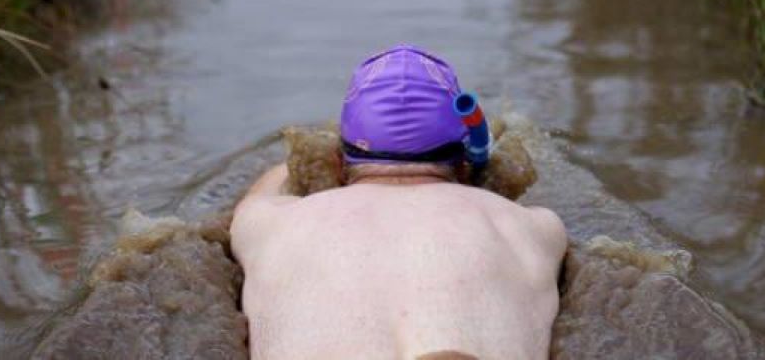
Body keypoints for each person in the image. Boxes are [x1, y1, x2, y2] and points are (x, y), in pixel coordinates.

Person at [230, 45, 569, 360]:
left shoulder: (271, 226)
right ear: (465, 161)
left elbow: (269, 185)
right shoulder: (534, 227)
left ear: (338, 161)